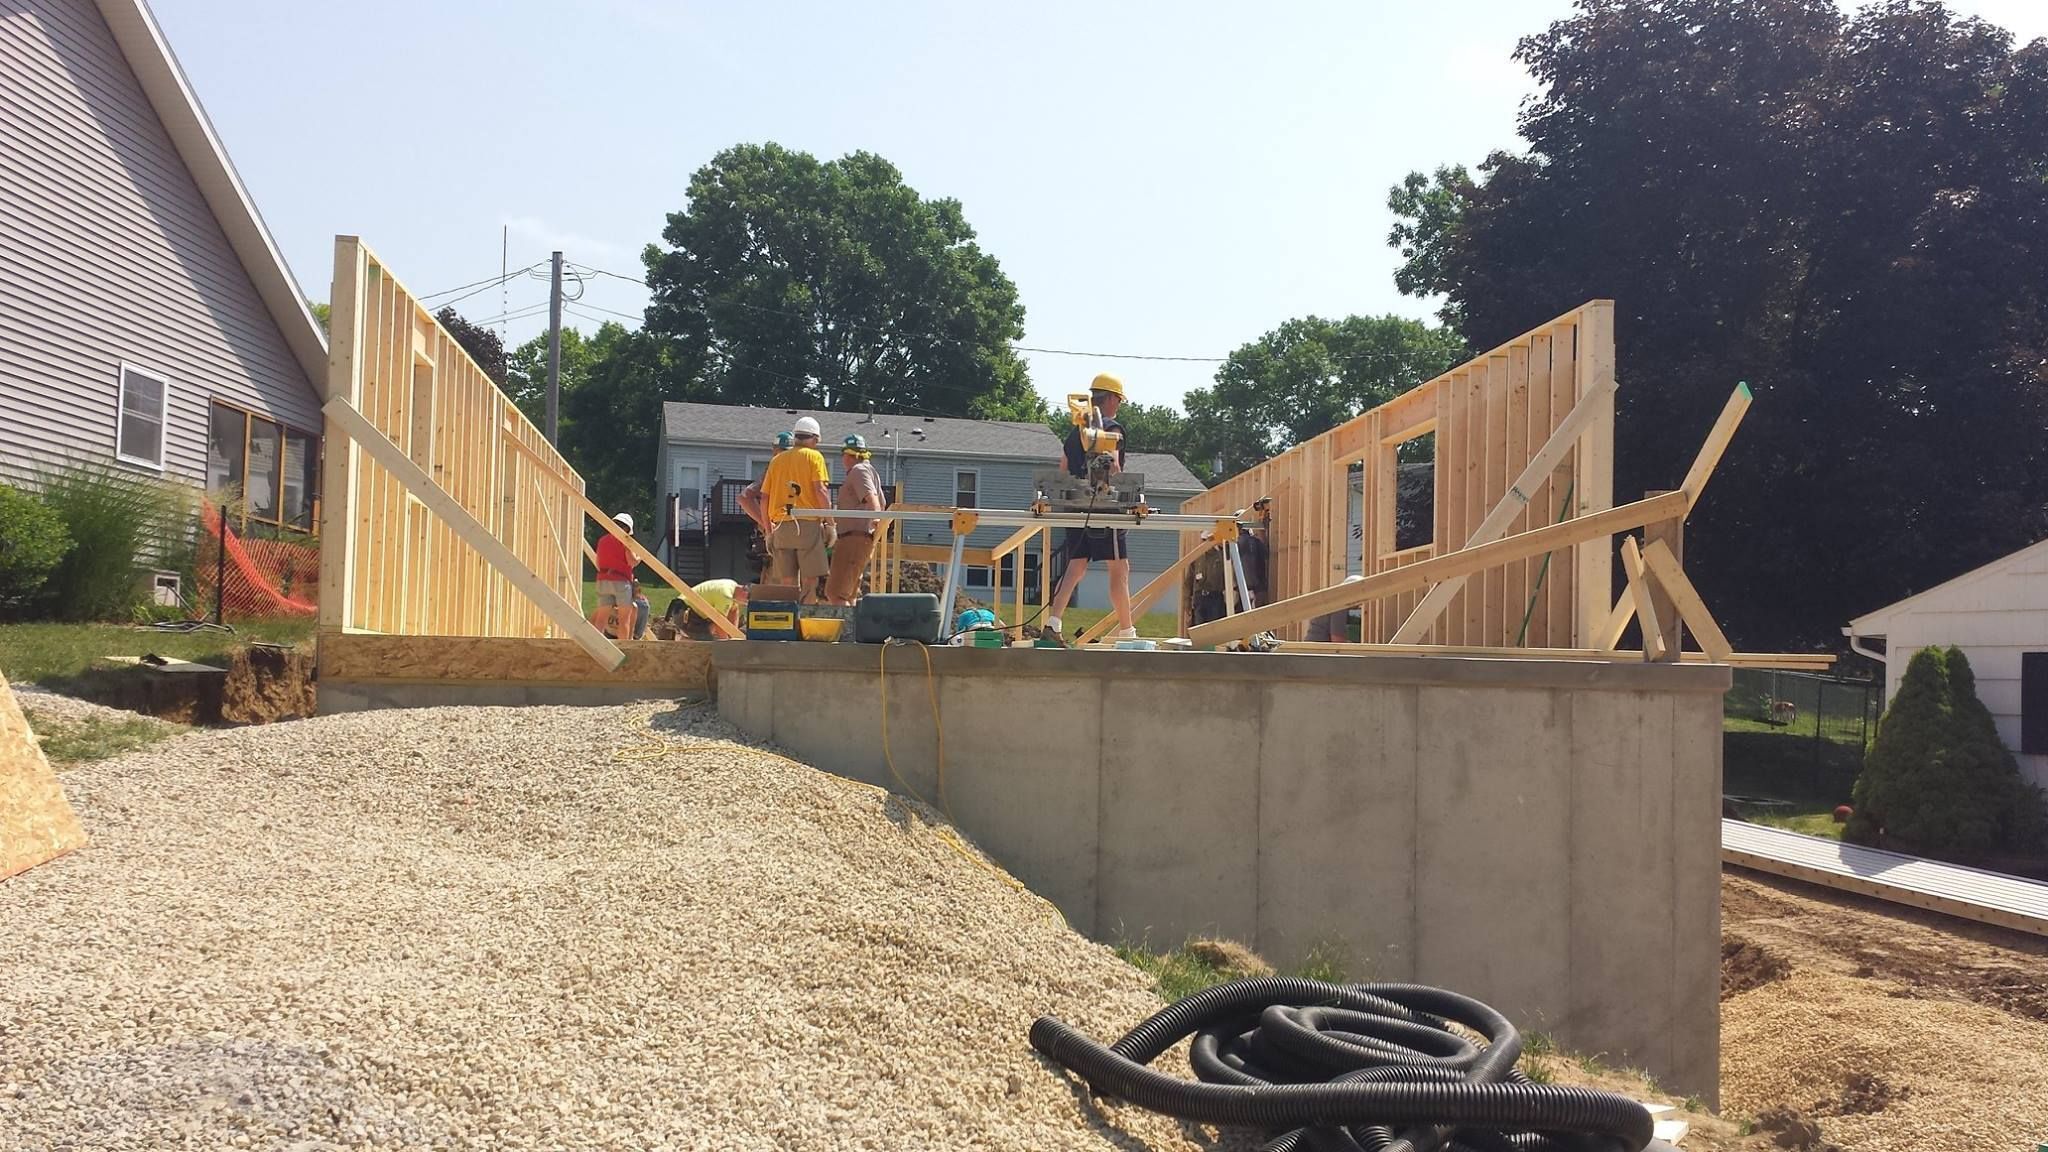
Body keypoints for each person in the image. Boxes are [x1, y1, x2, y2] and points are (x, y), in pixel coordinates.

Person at [1042, 373, 1134, 645]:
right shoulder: (1112, 428)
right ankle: (1128, 632)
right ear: (1112, 398)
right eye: (1118, 400)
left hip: (1076, 507)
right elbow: (1113, 465)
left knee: (1075, 566)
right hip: (1104, 507)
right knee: (1119, 568)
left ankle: (1053, 622)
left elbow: (1062, 470)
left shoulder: (1075, 432)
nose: (1118, 406)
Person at [759, 416, 834, 602]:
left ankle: (788, 623)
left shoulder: (777, 461)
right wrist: (830, 522)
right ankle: (805, 622)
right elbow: (820, 491)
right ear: (815, 439)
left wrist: (768, 531)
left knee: (787, 581)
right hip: (808, 525)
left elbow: (764, 498)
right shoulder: (814, 457)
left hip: (782, 526)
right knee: (810, 580)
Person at [824, 433, 885, 604]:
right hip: (859, 539)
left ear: (848, 455)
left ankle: (844, 631)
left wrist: (876, 517)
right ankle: (852, 630)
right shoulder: (869, 471)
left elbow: (871, 497)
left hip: (854, 538)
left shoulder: (859, 471)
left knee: (836, 593)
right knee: (848, 594)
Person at [737, 433, 791, 582]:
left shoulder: (774, 469)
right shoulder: (795, 470)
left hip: (775, 533)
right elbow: (744, 497)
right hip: (792, 532)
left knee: (774, 585)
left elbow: (745, 497)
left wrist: (765, 524)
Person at [591, 512, 639, 640]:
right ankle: (623, 648)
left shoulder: (602, 540)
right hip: (621, 582)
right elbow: (632, 562)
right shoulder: (626, 542)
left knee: (600, 620)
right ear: (627, 529)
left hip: (603, 580)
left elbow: (598, 562)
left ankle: (596, 648)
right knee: (624, 620)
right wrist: (639, 558)